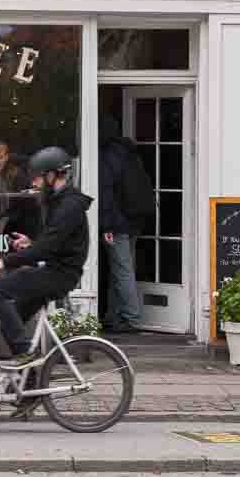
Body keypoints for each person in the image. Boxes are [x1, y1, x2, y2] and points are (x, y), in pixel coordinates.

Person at [0, 146, 91, 365]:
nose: (34, 183)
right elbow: (55, 243)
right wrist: (31, 243)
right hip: (56, 271)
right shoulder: (61, 201)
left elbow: (45, 250)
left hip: (59, 275)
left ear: (52, 175)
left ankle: (26, 355)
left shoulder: (68, 206)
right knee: (10, 324)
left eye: (37, 178)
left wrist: (3, 263)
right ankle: (30, 379)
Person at [97, 123, 156, 335]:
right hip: (135, 219)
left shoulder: (106, 156)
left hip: (117, 221)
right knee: (121, 267)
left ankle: (132, 318)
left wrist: (107, 225)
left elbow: (106, 194)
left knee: (122, 269)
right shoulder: (128, 152)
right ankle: (114, 317)